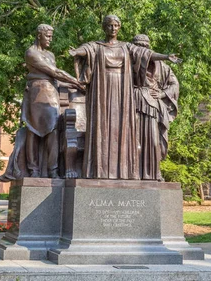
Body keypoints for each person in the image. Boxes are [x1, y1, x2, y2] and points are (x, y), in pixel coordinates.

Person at [69, 15, 179, 180]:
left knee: (121, 129)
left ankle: (123, 171)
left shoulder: (126, 47)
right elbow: (86, 50)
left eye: (116, 25)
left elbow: (145, 54)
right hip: (102, 91)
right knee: (102, 127)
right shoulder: (97, 46)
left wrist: (165, 56)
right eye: (109, 25)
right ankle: (98, 170)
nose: (113, 28)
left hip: (122, 93)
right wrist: (76, 51)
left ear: (119, 28)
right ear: (104, 27)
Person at [22, 24, 84, 178]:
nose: (50, 39)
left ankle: (53, 169)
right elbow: (54, 72)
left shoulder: (50, 55)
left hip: (51, 93)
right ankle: (34, 169)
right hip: (37, 93)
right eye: (47, 36)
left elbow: (55, 78)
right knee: (33, 130)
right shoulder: (31, 53)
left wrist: (72, 84)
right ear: (39, 35)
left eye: (51, 36)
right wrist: (76, 81)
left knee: (53, 130)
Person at [132, 34, 179, 181]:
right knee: (134, 140)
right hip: (133, 104)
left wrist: (163, 93)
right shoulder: (128, 65)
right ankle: (133, 171)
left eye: (145, 46)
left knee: (155, 140)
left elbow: (174, 84)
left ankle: (154, 171)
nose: (142, 50)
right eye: (139, 46)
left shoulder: (163, 67)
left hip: (153, 107)